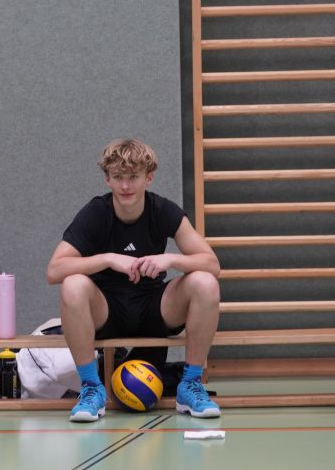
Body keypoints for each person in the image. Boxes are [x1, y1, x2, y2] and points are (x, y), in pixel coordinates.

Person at [46, 138, 222, 423]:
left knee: (205, 282)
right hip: (108, 309)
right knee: (72, 284)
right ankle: (91, 389)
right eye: (118, 177)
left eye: (133, 177)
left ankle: (190, 385)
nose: (125, 186)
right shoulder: (96, 213)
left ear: (148, 178)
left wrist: (171, 259)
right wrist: (108, 258)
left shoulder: (162, 210)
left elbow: (212, 264)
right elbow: (54, 270)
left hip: (156, 308)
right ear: (107, 179)